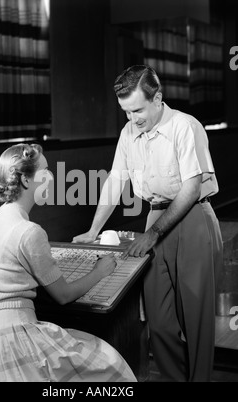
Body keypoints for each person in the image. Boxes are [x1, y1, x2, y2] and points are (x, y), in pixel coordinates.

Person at [73, 65, 223, 382]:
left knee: (196, 320)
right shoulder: (129, 134)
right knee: (159, 318)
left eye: (138, 110)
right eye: (126, 112)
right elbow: (116, 180)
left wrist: (153, 233)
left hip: (193, 215)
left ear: (158, 98)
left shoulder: (185, 126)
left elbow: (191, 188)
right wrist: (93, 230)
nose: (133, 119)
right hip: (155, 214)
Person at [0, 143, 137, 383]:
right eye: (45, 170)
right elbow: (63, 295)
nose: (50, 176)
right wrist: (99, 271)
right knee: (110, 364)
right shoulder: (29, 232)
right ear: (27, 180)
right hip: (17, 342)